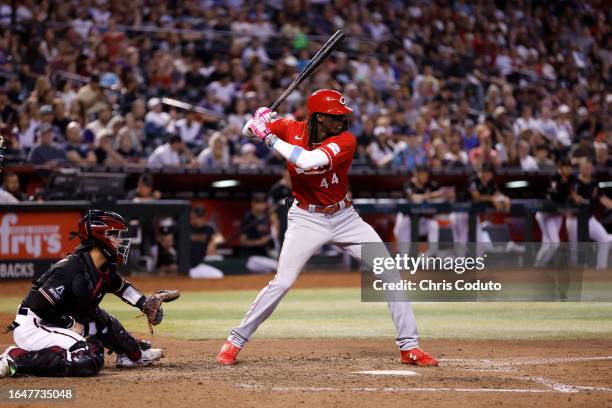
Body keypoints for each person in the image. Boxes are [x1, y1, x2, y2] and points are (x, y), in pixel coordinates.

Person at [216, 89, 438, 367]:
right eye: (335, 117)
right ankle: (235, 340)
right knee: (282, 281)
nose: (342, 121)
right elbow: (248, 130)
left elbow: (307, 161)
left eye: (343, 116)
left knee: (389, 272)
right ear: (317, 118)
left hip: (345, 218)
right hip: (306, 218)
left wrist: (268, 135)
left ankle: (410, 347)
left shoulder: (346, 140)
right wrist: (258, 119)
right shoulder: (291, 128)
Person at [0, 210, 178, 378]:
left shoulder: (104, 267)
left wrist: (144, 304)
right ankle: (16, 358)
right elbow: (39, 305)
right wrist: (70, 323)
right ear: (100, 237)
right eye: (114, 235)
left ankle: (129, 354)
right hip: (35, 325)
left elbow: (121, 288)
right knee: (88, 358)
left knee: (101, 319)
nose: (120, 240)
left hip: (57, 320)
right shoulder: (70, 269)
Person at [450, 163, 511, 254]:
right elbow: (476, 197)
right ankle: (459, 265)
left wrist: (505, 198)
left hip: (473, 214)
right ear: (480, 172)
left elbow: (498, 194)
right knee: (462, 240)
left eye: (489, 172)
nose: (487, 174)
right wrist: (492, 199)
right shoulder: (473, 181)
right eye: (485, 172)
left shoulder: (491, 183)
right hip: (460, 213)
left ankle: (477, 265)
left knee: (479, 241)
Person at [393, 165, 451, 256]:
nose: (425, 176)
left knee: (433, 225)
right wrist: (432, 195)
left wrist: (445, 193)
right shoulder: (409, 184)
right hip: (407, 221)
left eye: (426, 174)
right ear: (416, 174)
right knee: (403, 253)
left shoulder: (429, 184)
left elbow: (445, 193)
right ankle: (401, 262)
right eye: (422, 174)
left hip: (420, 221)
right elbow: (413, 198)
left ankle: (430, 255)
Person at [566, 159, 612, 269]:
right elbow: (571, 196)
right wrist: (574, 197)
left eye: (589, 167)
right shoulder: (574, 182)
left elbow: (603, 198)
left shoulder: (594, 182)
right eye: (585, 167)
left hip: (589, 219)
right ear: (580, 168)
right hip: (575, 220)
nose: (587, 169)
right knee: (575, 250)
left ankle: (600, 270)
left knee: (604, 240)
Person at [534, 158, 575, 267]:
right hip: (545, 215)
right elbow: (555, 196)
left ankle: (538, 266)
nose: (568, 169)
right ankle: (538, 266)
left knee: (549, 244)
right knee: (552, 243)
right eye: (565, 167)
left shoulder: (571, 179)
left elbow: (568, 196)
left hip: (557, 215)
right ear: (560, 168)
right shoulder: (554, 178)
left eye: (569, 167)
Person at [239, 193, 278, 274]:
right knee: (278, 267)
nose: (261, 205)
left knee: (272, 272)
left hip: (265, 256)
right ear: (252, 203)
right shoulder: (248, 218)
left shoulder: (266, 218)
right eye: (258, 202)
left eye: (263, 202)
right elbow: (242, 242)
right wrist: (258, 242)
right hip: (251, 258)